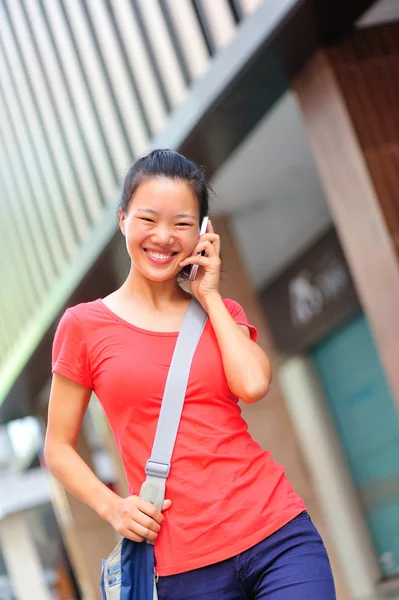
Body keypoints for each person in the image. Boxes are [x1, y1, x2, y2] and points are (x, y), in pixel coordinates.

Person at [46, 149, 336, 599]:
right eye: (148, 219)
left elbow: (254, 385)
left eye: (181, 223)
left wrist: (211, 296)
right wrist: (114, 508)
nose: (163, 237)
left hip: (276, 531)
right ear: (123, 219)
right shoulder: (84, 326)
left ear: (202, 232)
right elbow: (58, 448)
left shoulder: (221, 312)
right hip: (183, 567)